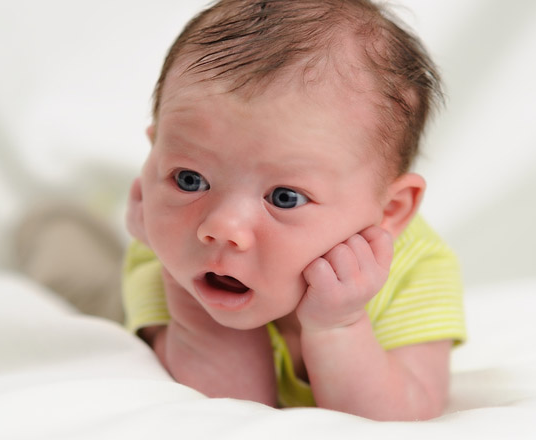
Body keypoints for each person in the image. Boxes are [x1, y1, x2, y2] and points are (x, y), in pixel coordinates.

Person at [123, 0, 466, 420]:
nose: (221, 227)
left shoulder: (416, 269)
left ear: (391, 210)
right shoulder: (162, 248)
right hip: (119, 275)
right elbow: (229, 408)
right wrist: (191, 295)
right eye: (189, 179)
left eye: (285, 197)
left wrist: (339, 326)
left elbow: (402, 418)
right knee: (73, 257)